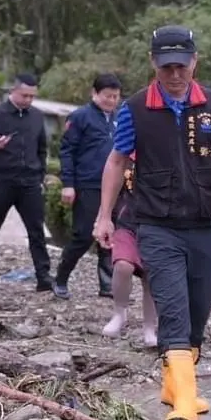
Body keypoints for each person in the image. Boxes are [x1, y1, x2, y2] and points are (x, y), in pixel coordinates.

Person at [94, 25, 211, 420]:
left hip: (205, 224)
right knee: (173, 309)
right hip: (156, 224)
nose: (174, 75)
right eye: (166, 67)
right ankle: (183, 406)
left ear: (195, 61)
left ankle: (172, 384)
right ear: (153, 64)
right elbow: (116, 162)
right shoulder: (136, 108)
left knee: (199, 308)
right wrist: (104, 216)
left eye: (181, 66)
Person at [0, 74, 52, 292]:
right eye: (24, 95)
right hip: (3, 181)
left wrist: (40, 174)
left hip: (30, 182)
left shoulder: (36, 116)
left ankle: (43, 276)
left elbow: (42, 148)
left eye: (32, 97)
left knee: (36, 231)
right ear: (13, 91)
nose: (28, 100)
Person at [54, 73, 121, 300]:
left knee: (110, 235)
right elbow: (67, 151)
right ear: (94, 94)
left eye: (115, 97)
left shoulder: (119, 119)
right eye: (106, 96)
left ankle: (107, 284)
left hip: (114, 186)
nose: (111, 101)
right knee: (83, 235)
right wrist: (68, 184)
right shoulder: (80, 117)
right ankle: (61, 278)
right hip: (88, 183)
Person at [101, 153, 157, 346]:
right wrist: (103, 218)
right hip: (127, 221)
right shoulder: (125, 155)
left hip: (157, 224)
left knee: (151, 277)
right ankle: (119, 312)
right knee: (123, 265)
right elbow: (111, 184)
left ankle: (150, 327)